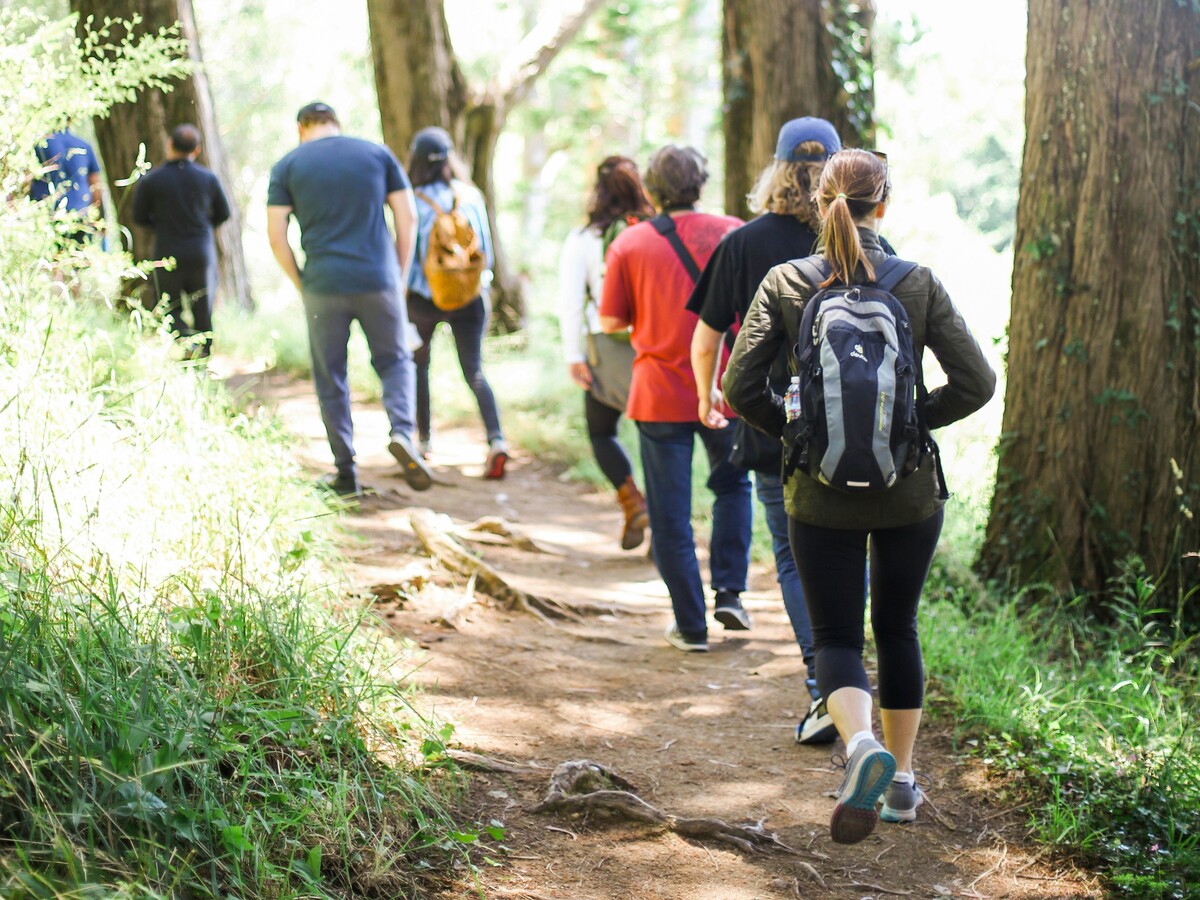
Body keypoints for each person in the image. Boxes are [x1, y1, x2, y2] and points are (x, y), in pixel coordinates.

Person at [723, 149, 996, 842]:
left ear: (818, 203)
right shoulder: (917, 281)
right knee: (898, 627)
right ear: (885, 205)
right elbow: (977, 382)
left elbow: (738, 388)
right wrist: (909, 426)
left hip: (818, 495)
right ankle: (902, 783)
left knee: (839, 635)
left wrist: (798, 437)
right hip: (908, 495)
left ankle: (861, 746)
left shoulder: (787, 281)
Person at [688, 118, 894, 746]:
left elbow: (705, 341)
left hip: (776, 429)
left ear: (774, 171)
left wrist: (707, 399)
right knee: (853, 551)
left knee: (794, 559)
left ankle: (823, 688)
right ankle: (849, 683)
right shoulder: (874, 247)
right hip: (868, 432)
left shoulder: (744, 244)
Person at [599, 145, 751, 652]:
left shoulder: (630, 243)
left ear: (652, 189)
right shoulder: (732, 231)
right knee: (733, 487)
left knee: (670, 513)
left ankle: (690, 625)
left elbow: (611, 321)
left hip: (660, 392)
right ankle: (729, 592)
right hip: (725, 386)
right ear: (701, 182)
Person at [267, 101, 433, 498]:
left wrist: (300, 281)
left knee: (332, 378)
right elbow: (406, 217)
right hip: (379, 280)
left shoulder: (288, 164)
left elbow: (276, 236)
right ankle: (403, 433)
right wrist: (399, 274)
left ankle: (345, 472)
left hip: (323, 285)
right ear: (336, 124)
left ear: (301, 128)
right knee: (395, 362)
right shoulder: (376, 154)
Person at [557, 156, 655, 550]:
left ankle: (632, 499)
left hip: (606, 348)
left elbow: (569, 302)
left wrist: (573, 355)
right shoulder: (656, 231)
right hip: (655, 348)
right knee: (657, 439)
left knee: (601, 431)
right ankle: (663, 528)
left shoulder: (584, 239)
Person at [405, 127, 507, 479]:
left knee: (419, 365)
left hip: (423, 299)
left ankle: (422, 441)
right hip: (469, 297)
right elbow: (487, 255)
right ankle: (496, 440)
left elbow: (407, 257)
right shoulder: (470, 196)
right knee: (474, 370)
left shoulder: (411, 200)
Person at [132, 124, 231, 357]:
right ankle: (203, 358)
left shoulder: (151, 180)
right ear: (196, 150)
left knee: (170, 307)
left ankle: (185, 347)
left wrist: (160, 225)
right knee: (203, 309)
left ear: (169, 144)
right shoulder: (208, 178)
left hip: (167, 251)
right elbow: (224, 213)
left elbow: (139, 218)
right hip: (201, 253)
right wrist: (204, 226)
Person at [29, 125, 104, 241]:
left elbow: (27, 180)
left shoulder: (39, 145)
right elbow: (96, 187)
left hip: (46, 217)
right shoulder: (84, 146)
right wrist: (101, 220)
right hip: (80, 217)